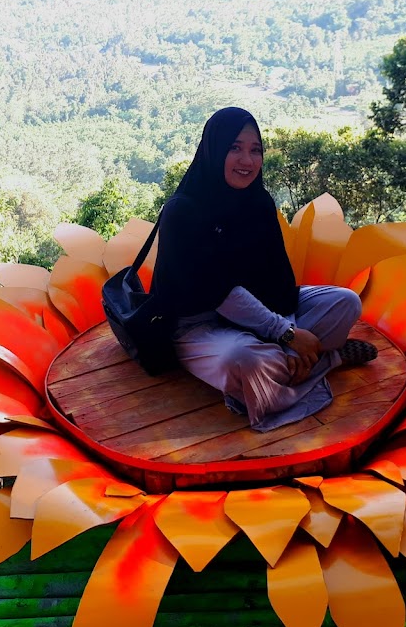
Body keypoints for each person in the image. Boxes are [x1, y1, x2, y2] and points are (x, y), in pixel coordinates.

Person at [150, 107, 377, 432]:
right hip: (200, 324)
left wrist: (288, 336)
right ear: (214, 149)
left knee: (346, 303)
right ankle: (329, 358)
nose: (247, 160)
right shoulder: (183, 211)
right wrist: (287, 335)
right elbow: (219, 293)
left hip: (262, 312)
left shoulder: (258, 202)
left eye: (255, 150)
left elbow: (278, 279)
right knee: (244, 360)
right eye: (235, 147)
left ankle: (280, 371)